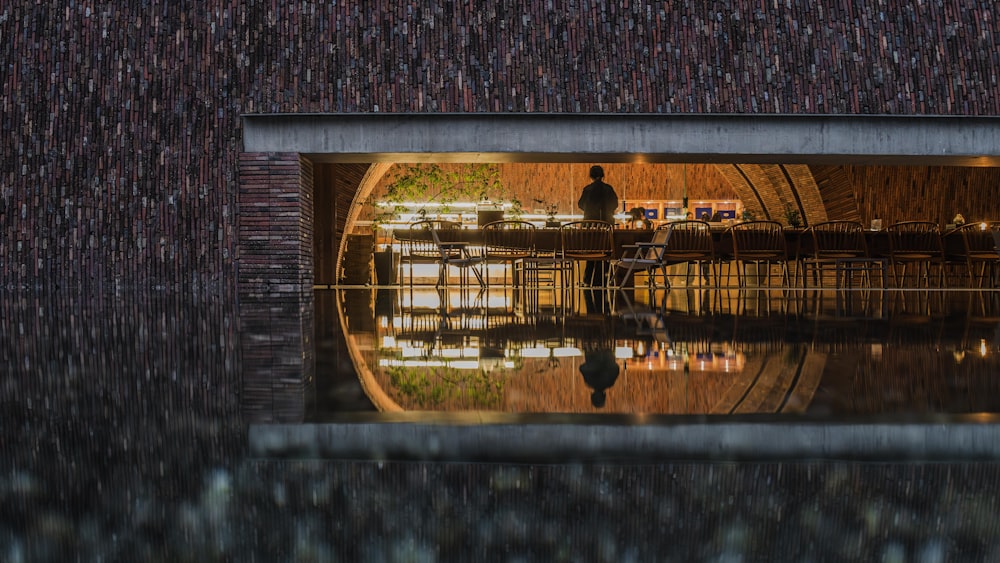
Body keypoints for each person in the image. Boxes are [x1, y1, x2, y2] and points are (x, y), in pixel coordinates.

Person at [577, 165, 619, 285]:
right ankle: (604, 277)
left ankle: (588, 278)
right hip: (607, 225)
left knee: (591, 251)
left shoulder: (587, 189)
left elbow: (580, 204)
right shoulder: (609, 189)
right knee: (606, 250)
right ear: (603, 175)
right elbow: (615, 204)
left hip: (590, 225)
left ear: (590, 175)